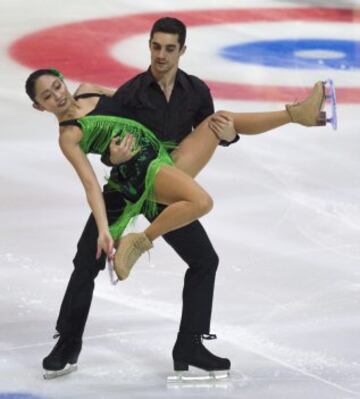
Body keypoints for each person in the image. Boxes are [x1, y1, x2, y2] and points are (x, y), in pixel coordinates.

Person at [26, 17, 327, 379]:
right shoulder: (131, 92)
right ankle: (67, 343)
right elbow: (109, 141)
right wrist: (112, 160)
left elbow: (210, 132)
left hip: (171, 168)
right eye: (155, 47)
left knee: (205, 254)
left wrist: (229, 135)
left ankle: (190, 344)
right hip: (131, 181)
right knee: (86, 260)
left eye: (170, 48)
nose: (161, 55)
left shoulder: (195, 90)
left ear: (181, 50)